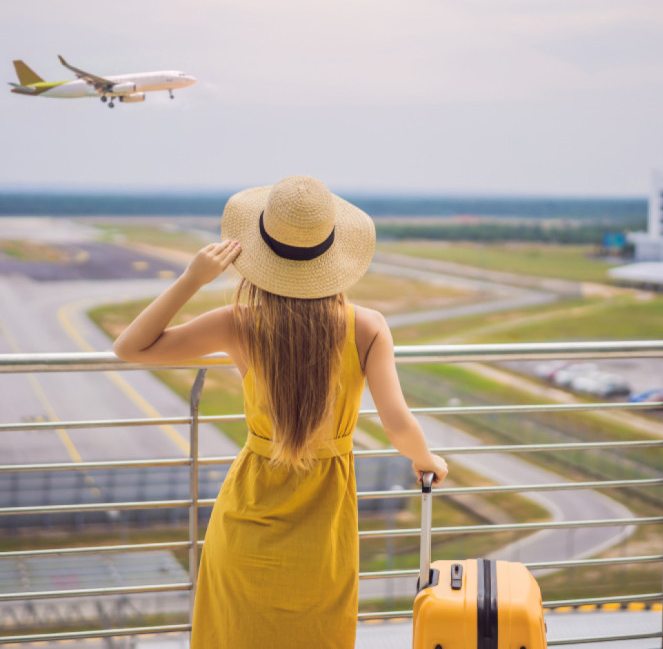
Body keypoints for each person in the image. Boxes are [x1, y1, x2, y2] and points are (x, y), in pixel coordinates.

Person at [113, 175, 449, 648]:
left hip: (247, 518)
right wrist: (426, 461)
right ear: (335, 258)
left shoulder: (240, 323)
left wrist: (194, 278)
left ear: (259, 253)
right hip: (324, 528)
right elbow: (397, 422)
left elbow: (130, 348)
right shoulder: (368, 328)